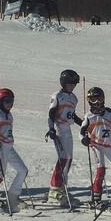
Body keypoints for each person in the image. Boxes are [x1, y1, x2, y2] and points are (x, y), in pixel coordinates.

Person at [79, 87, 111, 208]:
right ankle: (96, 197)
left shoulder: (109, 112)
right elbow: (82, 131)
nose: (97, 102)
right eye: (93, 99)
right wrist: (83, 139)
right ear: (89, 101)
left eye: (99, 98)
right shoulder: (89, 116)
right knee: (100, 169)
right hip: (96, 145)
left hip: (109, 145)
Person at [45, 69, 82, 205]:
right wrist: (51, 129)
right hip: (58, 128)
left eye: (74, 84)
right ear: (63, 82)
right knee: (63, 159)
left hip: (67, 129)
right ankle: (54, 190)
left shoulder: (73, 98)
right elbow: (51, 114)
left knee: (69, 159)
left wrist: (85, 126)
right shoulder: (57, 96)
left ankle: (62, 188)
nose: (72, 86)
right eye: (70, 83)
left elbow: (72, 115)